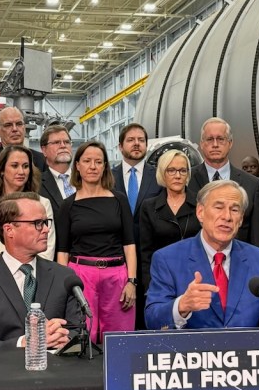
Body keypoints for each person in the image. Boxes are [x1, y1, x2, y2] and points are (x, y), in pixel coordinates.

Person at [146, 180, 259, 330]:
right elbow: (152, 319)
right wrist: (181, 306)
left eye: (235, 209)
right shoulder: (167, 259)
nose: (227, 217)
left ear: (241, 219)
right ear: (200, 212)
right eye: (218, 207)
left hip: (246, 356)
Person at [0, 192, 81, 348]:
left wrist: (64, 339)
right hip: (6, 370)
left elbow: (78, 333)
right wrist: (26, 342)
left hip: (58, 369)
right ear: (9, 230)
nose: (46, 229)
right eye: (38, 223)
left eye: (46, 222)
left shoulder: (65, 277)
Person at [55, 140, 137, 342]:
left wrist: (132, 281)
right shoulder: (68, 205)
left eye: (98, 162)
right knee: (83, 336)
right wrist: (65, 287)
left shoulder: (119, 200)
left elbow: (130, 244)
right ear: (78, 165)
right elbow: (62, 251)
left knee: (120, 339)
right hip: (81, 277)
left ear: (105, 167)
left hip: (117, 276)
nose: (93, 166)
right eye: (87, 161)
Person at [188, 117, 259, 252]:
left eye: (221, 139)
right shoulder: (186, 180)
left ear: (230, 143)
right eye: (209, 139)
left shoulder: (252, 184)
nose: (215, 144)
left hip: (238, 264)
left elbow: (258, 237)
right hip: (193, 263)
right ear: (201, 144)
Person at [0, 145, 56, 271]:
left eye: (25, 166)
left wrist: (32, 277)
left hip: (33, 278)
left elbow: (47, 248)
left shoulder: (43, 203)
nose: (21, 172)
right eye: (15, 165)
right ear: (2, 170)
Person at [111, 123, 161, 328]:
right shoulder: (107, 177)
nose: (136, 144)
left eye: (141, 140)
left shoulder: (158, 176)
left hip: (151, 255)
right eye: (131, 140)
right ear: (120, 146)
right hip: (117, 255)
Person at [138, 149, 199, 289]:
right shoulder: (149, 206)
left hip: (196, 277)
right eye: (171, 170)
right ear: (162, 173)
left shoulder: (200, 203)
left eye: (182, 170)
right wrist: (149, 285)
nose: (177, 175)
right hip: (161, 279)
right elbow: (146, 253)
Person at [0, 106, 48, 171]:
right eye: (8, 125)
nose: (15, 129)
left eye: (19, 124)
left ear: (24, 128)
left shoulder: (41, 160)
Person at [39, 123, 73, 219]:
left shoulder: (85, 179)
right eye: (56, 142)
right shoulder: (36, 184)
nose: (63, 146)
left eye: (66, 142)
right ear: (44, 150)